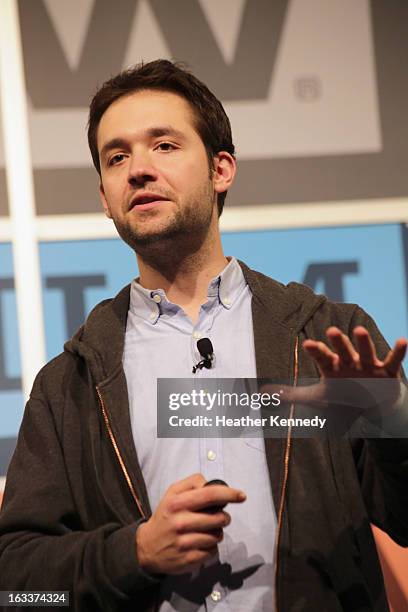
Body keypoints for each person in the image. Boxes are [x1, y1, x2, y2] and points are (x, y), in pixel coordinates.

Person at [0, 59, 407, 612]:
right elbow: (18, 587)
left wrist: (393, 424)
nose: (138, 170)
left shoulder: (326, 337)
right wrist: (134, 552)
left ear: (221, 169)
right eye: (117, 157)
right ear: (104, 196)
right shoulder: (69, 386)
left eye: (163, 146)